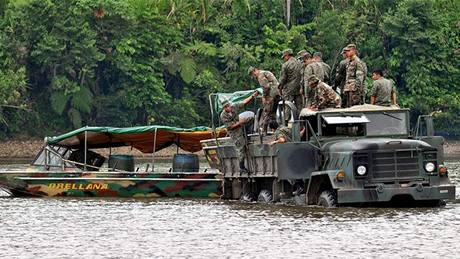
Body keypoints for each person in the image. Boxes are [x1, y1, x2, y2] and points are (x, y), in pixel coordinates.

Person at [220, 91, 259, 173]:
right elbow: (230, 127)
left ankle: (249, 133)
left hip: (241, 126)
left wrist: (252, 96)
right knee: (241, 148)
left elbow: (243, 103)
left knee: (251, 118)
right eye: (226, 107)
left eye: (228, 106)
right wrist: (240, 123)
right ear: (224, 108)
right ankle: (241, 166)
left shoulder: (234, 107)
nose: (228, 108)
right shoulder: (223, 116)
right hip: (234, 132)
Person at [248, 66, 280, 133]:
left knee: (267, 112)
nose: (254, 76)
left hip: (272, 94)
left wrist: (264, 97)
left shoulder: (260, 75)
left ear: (255, 70)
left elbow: (266, 87)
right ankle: (276, 130)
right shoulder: (265, 72)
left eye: (253, 74)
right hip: (277, 93)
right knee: (273, 113)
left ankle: (264, 131)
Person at [278, 48, 303, 123]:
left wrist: (280, 88)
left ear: (287, 55)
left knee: (287, 106)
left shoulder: (286, 65)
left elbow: (282, 79)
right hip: (299, 88)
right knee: (299, 107)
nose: (284, 59)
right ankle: (301, 123)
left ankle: (285, 122)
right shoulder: (300, 63)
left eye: (284, 57)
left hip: (289, 89)